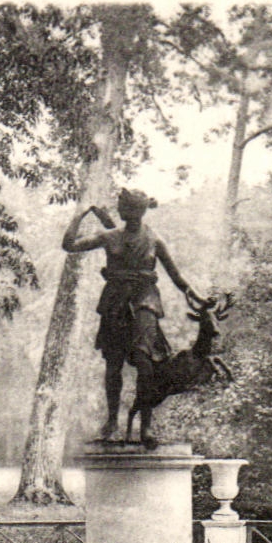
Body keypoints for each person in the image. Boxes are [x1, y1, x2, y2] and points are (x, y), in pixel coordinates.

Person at [63, 187, 199, 443]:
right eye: (125, 208)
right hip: (115, 301)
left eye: (133, 208)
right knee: (113, 363)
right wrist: (79, 215)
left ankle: (146, 425)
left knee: (145, 361)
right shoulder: (109, 236)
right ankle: (112, 421)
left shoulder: (154, 239)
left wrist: (197, 297)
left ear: (141, 211)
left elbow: (177, 276)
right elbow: (69, 245)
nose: (128, 213)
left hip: (145, 299)